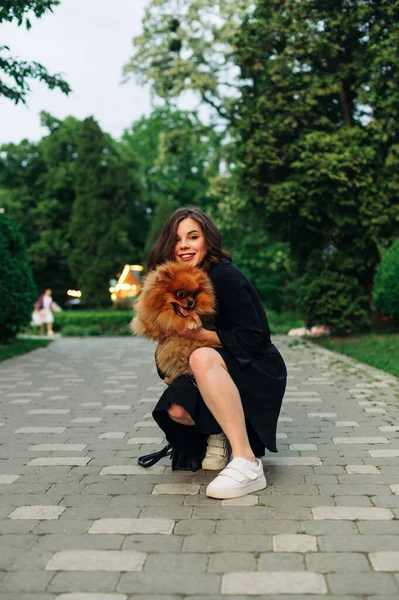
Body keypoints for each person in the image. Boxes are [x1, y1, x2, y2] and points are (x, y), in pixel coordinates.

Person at [147, 206, 287, 499]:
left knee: (201, 356)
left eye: (193, 236)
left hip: (256, 366)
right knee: (176, 410)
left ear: (207, 241)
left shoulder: (224, 275)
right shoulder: (175, 280)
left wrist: (199, 335)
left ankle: (246, 462)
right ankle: (219, 432)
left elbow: (256, 338)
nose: (184, 244)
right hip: (217, 366)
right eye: (177, 239)